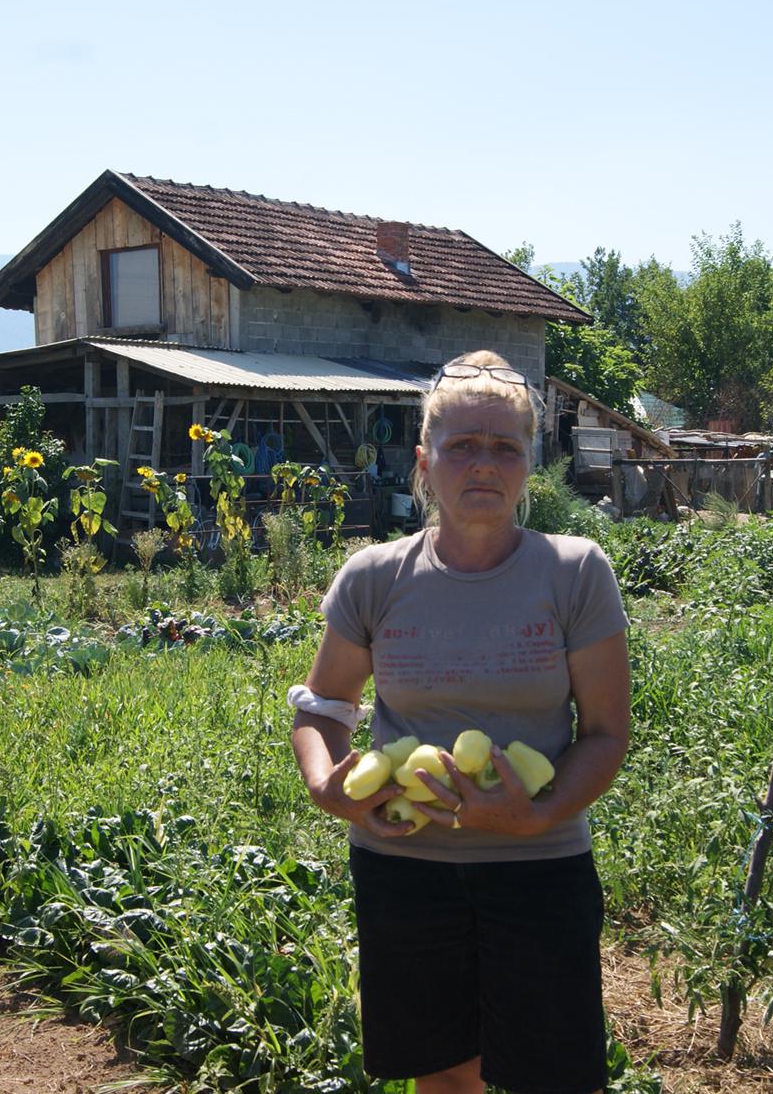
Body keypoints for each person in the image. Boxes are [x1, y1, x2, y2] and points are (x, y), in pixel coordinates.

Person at [290, 350, 631, 1094]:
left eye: (505, 446)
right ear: (425, 459)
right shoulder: (375, 576)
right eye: (463, 445)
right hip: (406, 869)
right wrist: (327, 784)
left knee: (554, 1073)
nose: (485, 463)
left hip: (540, 868)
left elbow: (606, 733)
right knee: (443, 1069)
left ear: (529, 463)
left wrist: (533, 814)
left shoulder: (575, 571)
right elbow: (323, 707)